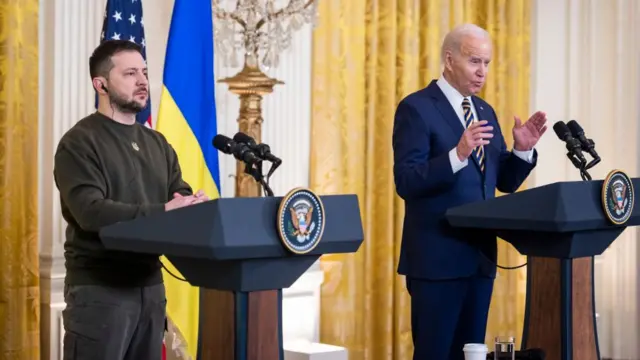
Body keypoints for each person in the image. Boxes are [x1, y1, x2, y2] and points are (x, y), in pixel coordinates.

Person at [392, 24, 548, 360]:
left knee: (472, 354)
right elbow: (406, 181)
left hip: (479, 260)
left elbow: (502, 181)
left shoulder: (484, 111)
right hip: (436, 261)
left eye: (487, 63)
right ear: (449, 60)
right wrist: (457, 154)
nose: (482, 72)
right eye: (475, 61)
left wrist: (522, 152)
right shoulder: (416, 108)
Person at [54, 40, 207, 360]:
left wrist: (189, 203)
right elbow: (90, 212)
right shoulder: (79, 142)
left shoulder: (157, 142)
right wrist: (164, 210)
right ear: (101, 84)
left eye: (145, 72)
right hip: (99, 291)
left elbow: (176, 190)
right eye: (130, 73)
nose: (142, 81)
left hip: (150, 287)